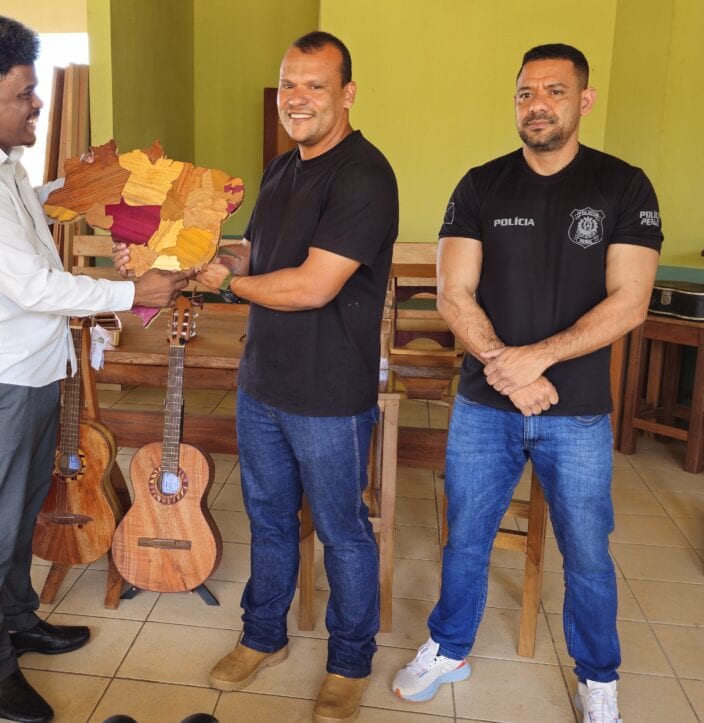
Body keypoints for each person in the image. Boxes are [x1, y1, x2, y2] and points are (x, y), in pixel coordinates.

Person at [120, 31, 398, 723]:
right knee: (270, 519)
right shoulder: (280, 170)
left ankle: (349, 661)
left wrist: (226, 286)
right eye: (289, 85)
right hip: (263, 384)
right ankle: (262, 635)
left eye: (315, 85)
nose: (297, 99)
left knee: (342, 529)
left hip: (329, 395)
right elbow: (257, 255)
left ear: (348, 94)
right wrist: (185, 261)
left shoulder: (364, 175)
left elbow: (312, 285)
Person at [0, 13, 191, 723]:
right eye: (25, 93)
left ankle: (18, 617)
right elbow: (35, 286)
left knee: (16, 518)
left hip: (31, 372)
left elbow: (21, 220)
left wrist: (63, 194)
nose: (38, 104)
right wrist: (138, 292)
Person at [391, 44, 661, 723]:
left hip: (576, 412)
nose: (536, 104)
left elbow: (629, 302)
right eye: (524, 93)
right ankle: (450, 648)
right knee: (466, 535)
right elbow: (454, 293)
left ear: (584, 101)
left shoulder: (624, 186)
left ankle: (599, 678)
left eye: (553, 91)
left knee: (588, 552)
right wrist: (507, 371)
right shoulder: (481, 185)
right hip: (486, 405)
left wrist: (530, 360)